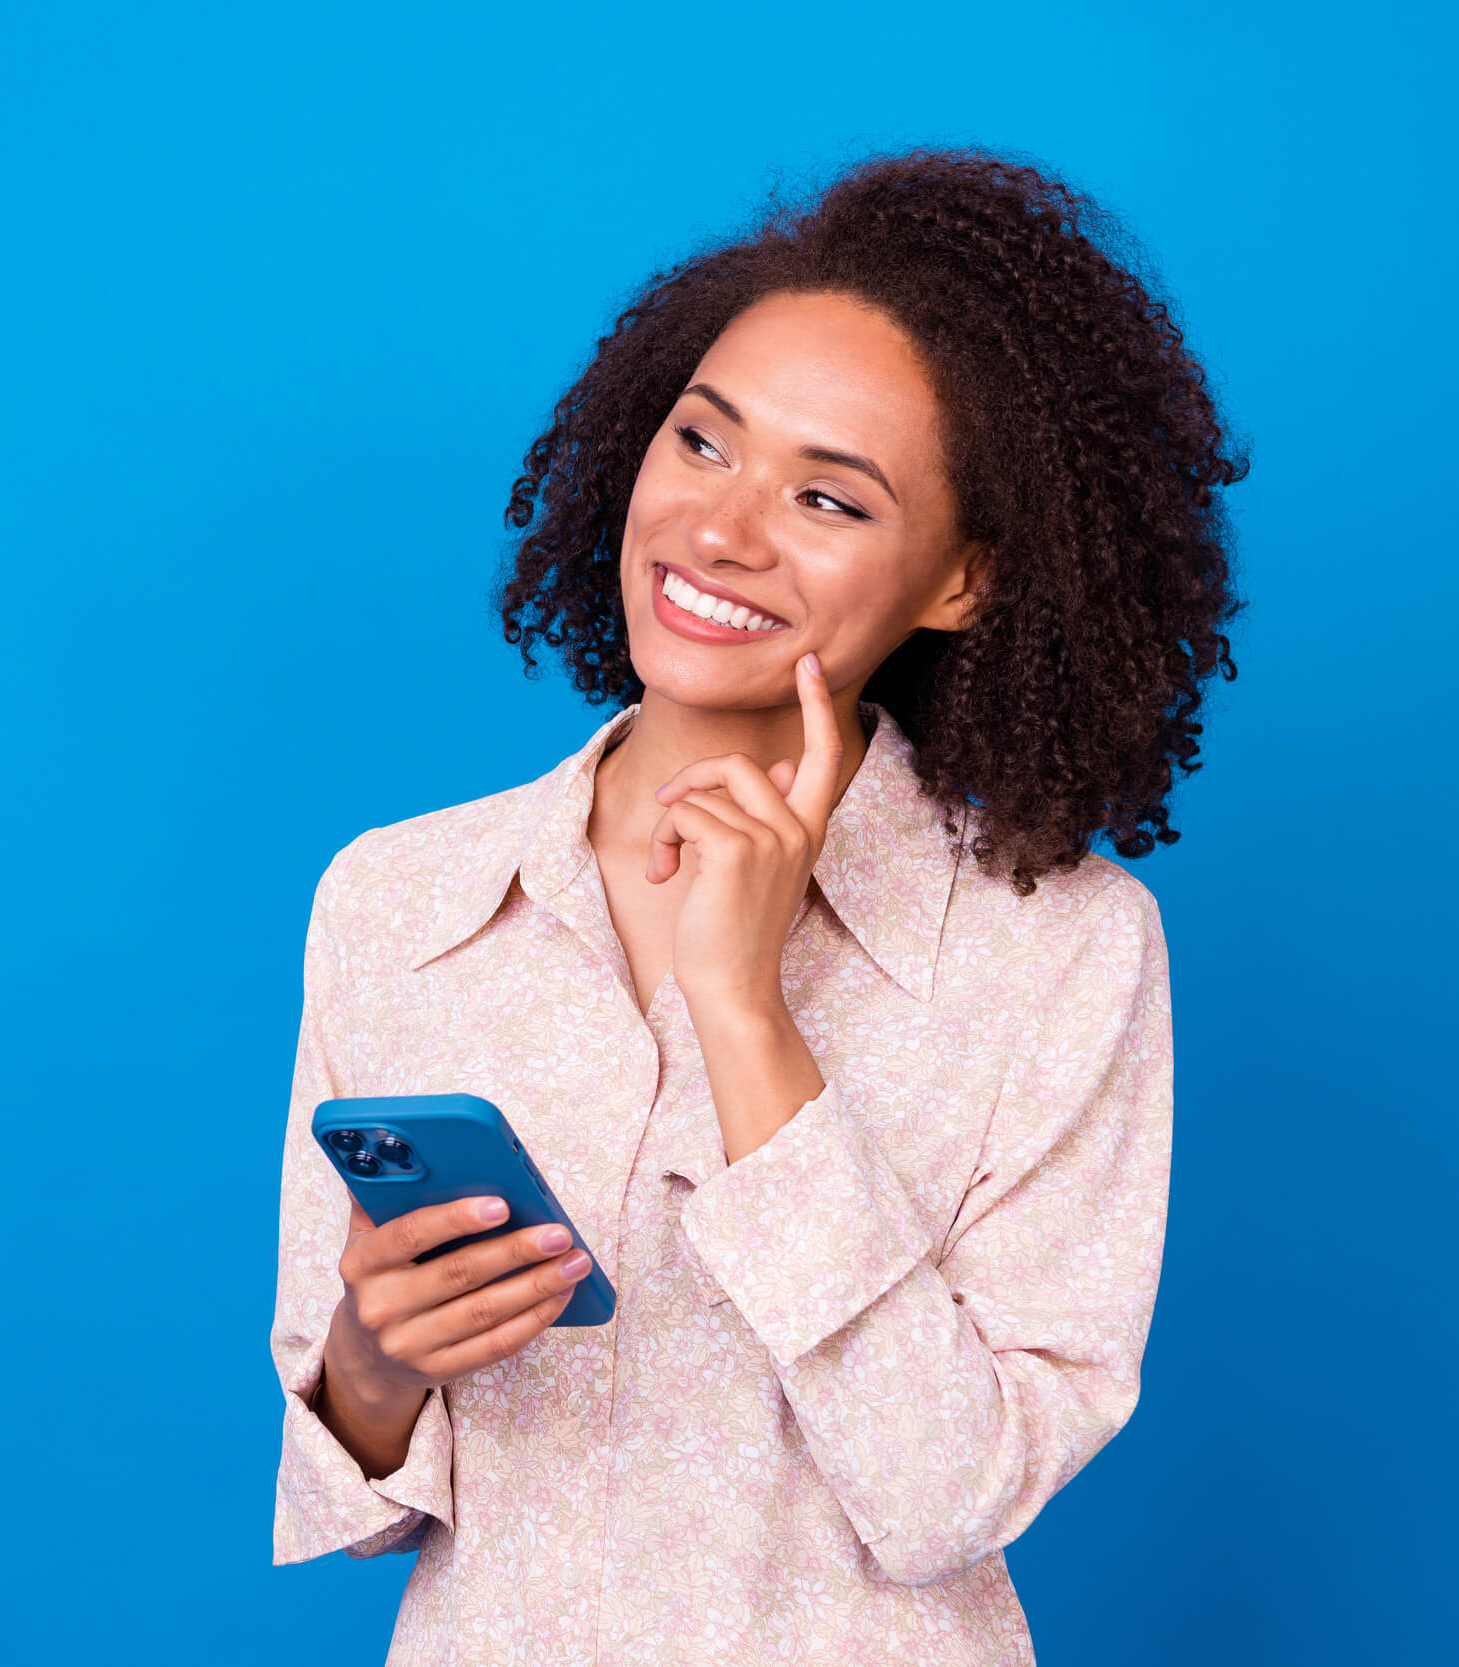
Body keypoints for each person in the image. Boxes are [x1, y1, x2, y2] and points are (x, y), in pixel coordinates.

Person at [269, 150, 1243, 1664]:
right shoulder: (400, 902)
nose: (722, 531)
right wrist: (373, 1362)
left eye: (829, 498)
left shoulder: (1058, 949)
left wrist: (746, 1020)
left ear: (963, 580)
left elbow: (949, 1498)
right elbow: (360, 1482)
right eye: (703, 443)